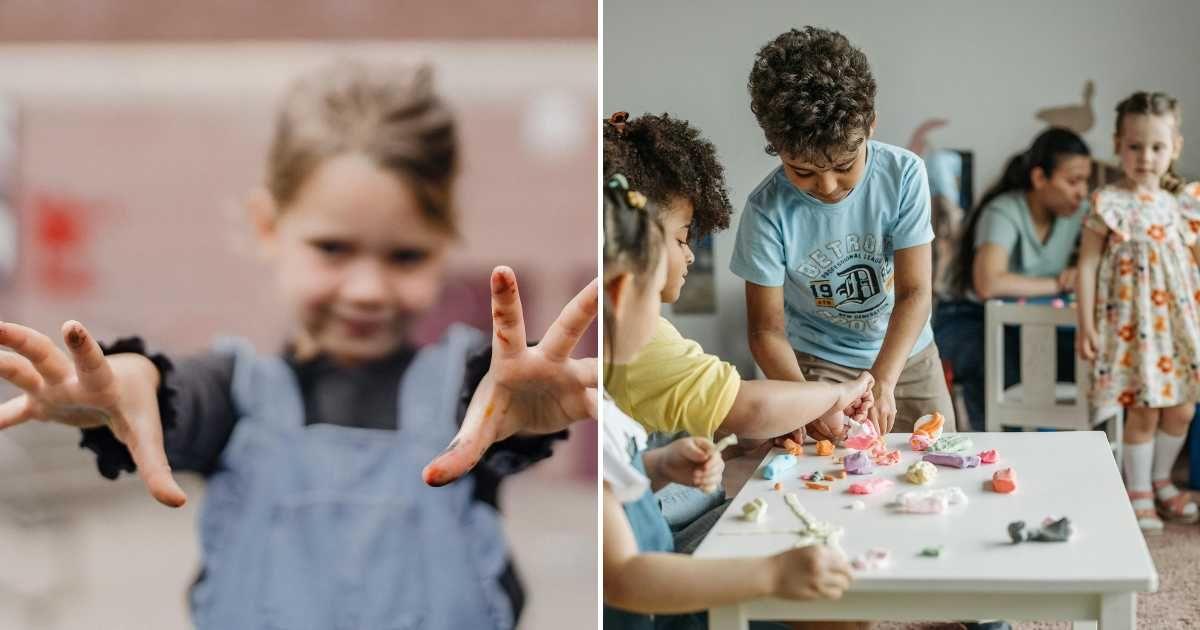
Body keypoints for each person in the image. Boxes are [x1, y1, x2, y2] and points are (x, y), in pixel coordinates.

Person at [0, 61, 597, 628]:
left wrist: (530, 413)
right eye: (333, 249)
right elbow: (174, 393)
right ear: (268, 227)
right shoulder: (233, 397)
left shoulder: (474, 397)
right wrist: (128, 384)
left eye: (405, 255)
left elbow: (508, 394)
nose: (367, 289)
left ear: (446, 244)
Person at [601, 173, 854, 629]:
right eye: (653, 297)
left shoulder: (596, 411)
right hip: (661, 612)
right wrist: (771, 574)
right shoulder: (590, 419)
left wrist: (657, 468)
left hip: (660, 577)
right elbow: (622, 578)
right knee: (827, 609)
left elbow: (612, 497)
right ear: (622, 293)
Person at [731, 26, 953, 437]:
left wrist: (884, 379)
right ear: (775, 145)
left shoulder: (904, 175)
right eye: (803, 171)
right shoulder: (766, 210)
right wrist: (804, 401)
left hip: (906, 354)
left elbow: (915, 292)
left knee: (938, 452)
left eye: (844, 166)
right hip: (815, 362)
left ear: (870, 125)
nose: (828, 186)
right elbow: (766, 330)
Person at [1076, 91, 1200, 533]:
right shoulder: (1107, 201)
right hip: (1132, 325)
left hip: (1179, 327)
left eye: (1157, 147)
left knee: (1182, 407)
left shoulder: (1184, 205)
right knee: (1144, 409)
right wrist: (1085, 324)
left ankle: (1163, 480)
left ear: (1175, 148)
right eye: (1135, 146)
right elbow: (1087, 264)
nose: (1145, 157)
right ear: (1117, 145)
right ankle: (1139, 489)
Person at [933, 128, 1092, 429]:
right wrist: (1061, 281)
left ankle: (1059, 446)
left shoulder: (1079, 212)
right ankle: (996, 449)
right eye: (1072, 181)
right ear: (1039, 178)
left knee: (1074, 364)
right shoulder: (1004, 210)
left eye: (1085, 181)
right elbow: (988, 283)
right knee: (1002, 368)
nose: (1081, 191)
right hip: (967, 317)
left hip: (1026, 321)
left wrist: (1081, 271)